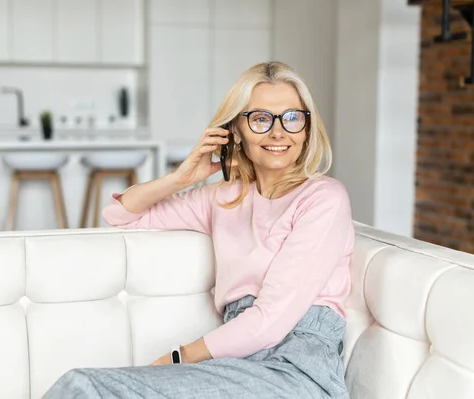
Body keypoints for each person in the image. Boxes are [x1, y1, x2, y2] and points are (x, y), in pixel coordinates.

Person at [43, 61, 354, 399]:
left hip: (297, 370)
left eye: (292, 117)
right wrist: (182, 178)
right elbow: (119, 213)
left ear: (307, 129)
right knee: (81, 387)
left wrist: (178, 358)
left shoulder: (323, 198)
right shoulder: (224, 198)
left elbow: (270, 321)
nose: (278, 132)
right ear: (235, 130)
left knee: (84, 388)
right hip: (237, 362)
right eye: (261, 119)